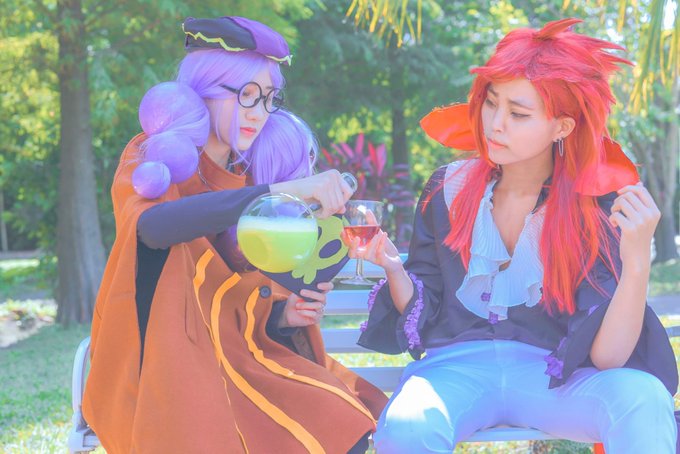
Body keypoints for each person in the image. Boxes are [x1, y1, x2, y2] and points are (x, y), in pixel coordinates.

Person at [344, 18, 678, 453]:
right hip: (455, 372)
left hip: (553, 379)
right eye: (491, 103)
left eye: (518, 114)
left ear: (562, 127)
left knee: (642, 398)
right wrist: (393, 267)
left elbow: (607, 358)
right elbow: (428, 312)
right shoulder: (447, 188)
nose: (495, 124)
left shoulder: (594, 204)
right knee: (408, 425)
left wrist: (636, 263)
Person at [82, 16, 386, 454]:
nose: (258, 113)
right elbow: (153, 227)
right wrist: (278, 191)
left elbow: (235, 300)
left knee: (341, 423)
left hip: (240, 357)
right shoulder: (152, 155)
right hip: (166, 362)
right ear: (203, 90)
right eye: (246, 94)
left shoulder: (252, 173)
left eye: (269, 98)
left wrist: (284, 316)